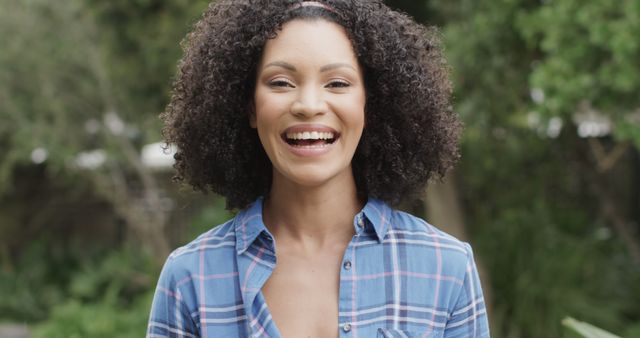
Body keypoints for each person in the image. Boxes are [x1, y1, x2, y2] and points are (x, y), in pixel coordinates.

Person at [147, 0, 490, 337]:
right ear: (250, 107)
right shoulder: (190, 278)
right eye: (281, 82)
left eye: (337, 83)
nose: (309, 106)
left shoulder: (447, 268)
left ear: (371, 104)